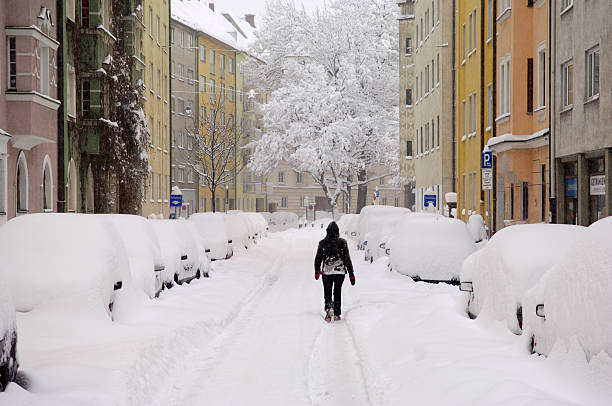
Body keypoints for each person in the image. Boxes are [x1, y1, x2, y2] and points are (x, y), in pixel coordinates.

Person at [314, 222, 355, 322]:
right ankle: (336, 313)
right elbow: (347, 259)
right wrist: (351, 274)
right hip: (340, 272)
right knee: (337, 292)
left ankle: (329, 309)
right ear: (337, 232)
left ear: (327, 232)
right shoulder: (342, 243)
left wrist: (317, 271)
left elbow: (318, 259)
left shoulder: (322, 243)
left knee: (327, 292)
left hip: (327, 272)